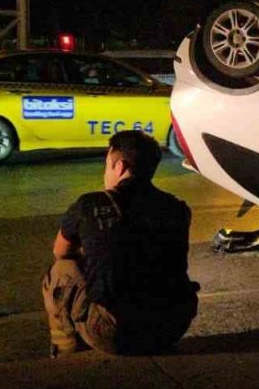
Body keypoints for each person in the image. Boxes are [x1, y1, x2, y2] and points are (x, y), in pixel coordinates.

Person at [43, 130, 200, 356]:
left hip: (114, 334)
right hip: (171, 328)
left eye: (107, 165)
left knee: (59, 271)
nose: (105, 172)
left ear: (121, 167)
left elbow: (61, 252)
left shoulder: (90, 204)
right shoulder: (177, 208)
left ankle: (66, 349)